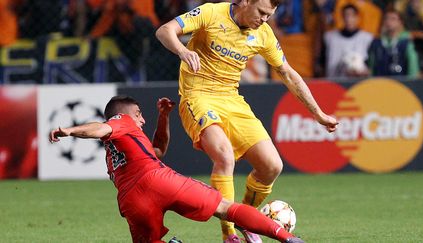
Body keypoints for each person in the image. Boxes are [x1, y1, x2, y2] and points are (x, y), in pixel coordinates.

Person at [156, 0, 338, 242]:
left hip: (232, 99)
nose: (264, 19)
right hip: (198, 96)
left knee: (272, 166)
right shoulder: (211, 12)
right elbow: (164, 30)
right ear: (245, 2)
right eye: (262, 12)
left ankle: (245, 218)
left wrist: (318, 114)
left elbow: (288, 73)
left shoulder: (263, 34)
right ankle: (229, 235)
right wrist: (183, 50)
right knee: (224, 156)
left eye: (269, 15)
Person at [49, 95, 304, 243]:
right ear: (124, 114)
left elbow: (157, 149)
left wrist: (163, 117)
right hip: (157, 179)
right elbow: (101, 128)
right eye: (139, 114)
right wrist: (71, 131)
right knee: (225, 208)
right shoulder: (120, 121)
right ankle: (288, 239)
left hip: (131, 202)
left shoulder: (115, 152)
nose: (141, 119)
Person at [368, 9, 420, 78]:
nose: (389, 22)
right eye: (386, 18)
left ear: (400, 22)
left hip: (400, 84)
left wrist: (412, 83)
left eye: (393, 19)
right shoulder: (376, 43)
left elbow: (413, 67)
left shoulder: (407, 42)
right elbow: (371, 66)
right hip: (380, 84)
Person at [324, 4, 373, 77]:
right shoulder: (330, 37)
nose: (349, 19)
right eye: (346, 15)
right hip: (334, 82)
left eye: (352, 16)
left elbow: (371, 65)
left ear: (357, 18)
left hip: (360, 83)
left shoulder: (367, 38)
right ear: (342, 17)